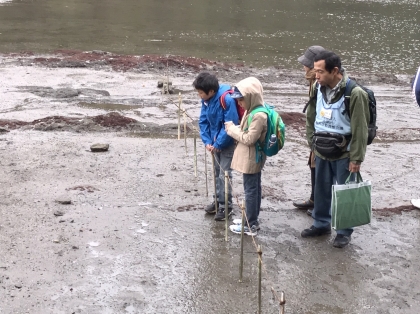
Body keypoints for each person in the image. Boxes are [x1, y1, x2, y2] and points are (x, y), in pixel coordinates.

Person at [302, 50, 370, 248]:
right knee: (321, 189)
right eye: (315, 71)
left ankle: (344, 231)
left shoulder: (355, 94)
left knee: (345, 192)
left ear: (335, 71)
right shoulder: (317, 87)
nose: (316, 76)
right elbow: (311, 117)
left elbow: (360, 129)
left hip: (345, 153)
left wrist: (356, 158)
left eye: (320, 72)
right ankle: (321, 223)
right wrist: (311, 144)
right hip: (321, 149)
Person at [193, 72, 239, 221]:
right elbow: (203, 121)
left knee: (224, 174)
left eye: (201, 92)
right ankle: (218, 200)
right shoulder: (206, 101)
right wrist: (207, 142)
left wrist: (219, 143)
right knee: (216, 172)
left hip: (227, 143)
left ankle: (227, 206)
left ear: (211, 91)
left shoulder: (226, 99)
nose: (199, 95)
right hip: (213, 143)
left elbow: (230, 124)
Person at [225, 77, 267, 236]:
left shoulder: (259, 115)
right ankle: (251, 218)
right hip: (252, 156)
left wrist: (231, 129)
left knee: (250, 190)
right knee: (253, 188)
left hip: (252, 158)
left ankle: (250, 224)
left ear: (251, 97)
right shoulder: (252, 110)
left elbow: (249, 138)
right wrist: (237, 128)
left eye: (241, 100)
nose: (240, 103)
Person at [293, 45, 325, 216]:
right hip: (315, 133)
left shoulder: (320, 83)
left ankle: (319, 204)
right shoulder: (313, 81)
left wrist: (313, 136)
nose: (304, 67)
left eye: (306, 64)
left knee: (319, 169)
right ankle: (314, 199)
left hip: (321, 134)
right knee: (313, 165)